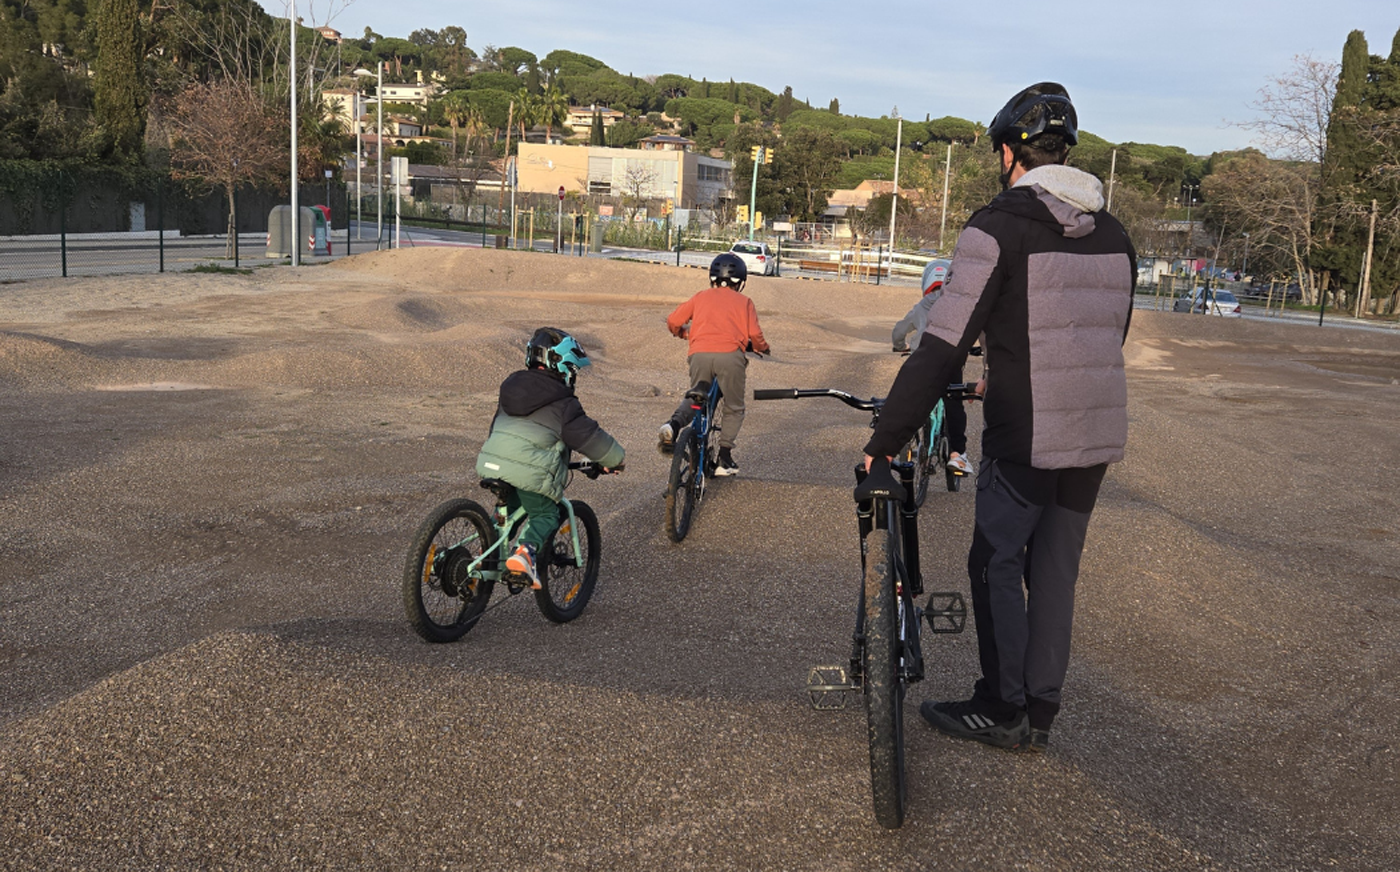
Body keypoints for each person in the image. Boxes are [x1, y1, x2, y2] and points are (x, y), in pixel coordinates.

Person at [862, 82, 1136, 752]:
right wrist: (1010, 369)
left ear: (1011, 152)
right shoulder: (1115, 234)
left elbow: (941, 348)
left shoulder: (997, 226)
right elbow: (1102, 337)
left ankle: (1001, 704)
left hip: (1028, 432)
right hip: (1094, 431)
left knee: (994, 562)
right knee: (1056, 572)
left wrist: (885, 441)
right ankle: (1039, 712)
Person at [476, 327, 625, 588]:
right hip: (529, 473)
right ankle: (524, 555)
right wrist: (614, 460)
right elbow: (590, 437)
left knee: (509, 510)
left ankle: (483, 554)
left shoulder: (511, 387)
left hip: (490, 462)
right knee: (546, 513)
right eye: (573, 370)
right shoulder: (564, 403)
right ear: (563, 366)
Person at [658, 253, 771, 476]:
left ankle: (673, 425)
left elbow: (673, 320)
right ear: (741, 281)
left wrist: (682, 333)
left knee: (696, 396)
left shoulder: (700, 297)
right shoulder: (745, 302)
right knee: (734, 406)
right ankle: (724, 459)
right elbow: (755, 335)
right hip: (730, 356)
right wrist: (762, 348)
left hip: (699, 354)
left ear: (713, 278)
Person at [892, 260, 972, 476]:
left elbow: (899, 331)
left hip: (922, 360)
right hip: (950, 361)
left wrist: (899, 346)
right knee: (954, 404)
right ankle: (957, 454)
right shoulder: (958, 306)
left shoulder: (921, 307)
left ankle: (899, 439)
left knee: (910, 400)